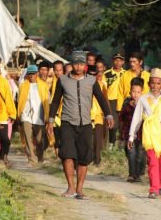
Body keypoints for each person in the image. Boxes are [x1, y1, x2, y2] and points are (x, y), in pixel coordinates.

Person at [48, 54, 114, 199]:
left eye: (81, 64)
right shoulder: (63, 80)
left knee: (84, 157)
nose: (78, 67)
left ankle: (80, 189)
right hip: (67, 123)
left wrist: (108, 115)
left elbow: (101, 99)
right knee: (67, 155)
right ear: (72, 64)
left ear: (85, 65)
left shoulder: (91, 80)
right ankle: (70, 187)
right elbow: (55, 101)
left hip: (85, 123)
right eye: (76, 64)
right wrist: (51, 120)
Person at [128, 68, 161, 199]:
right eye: (153, 83)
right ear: (148, 83)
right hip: (150, 132)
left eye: (158, 83)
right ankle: (153, 189)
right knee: (152, 161)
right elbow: (137, 118)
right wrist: (131, 136)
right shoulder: (143, 99)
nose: (155, 86)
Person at [18, 65, 50, 165]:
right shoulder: (23, 86)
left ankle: (40, 157)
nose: (31, 76)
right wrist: (19, 114)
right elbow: (20, 100)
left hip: (39, 115)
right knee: (28, 137)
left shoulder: (43, 85)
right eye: (29, 74)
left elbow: (47, 101)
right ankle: (32, 158)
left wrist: (47, 116)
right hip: (26, 115)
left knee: (40, 139)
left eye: (33, 74)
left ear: (37, 74)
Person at [119, 77, 146, 182]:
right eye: (133, 91)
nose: (135, 94)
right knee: (131, 153)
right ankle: (132, 174)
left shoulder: (145, 102)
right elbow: (121, 117)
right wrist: (121, 133)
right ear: (130, 91)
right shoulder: (126, 102)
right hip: (128, 132)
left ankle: (139, 174)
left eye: (138, 92)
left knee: (141, 154)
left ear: (142, 92)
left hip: (142, 133)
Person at [104, 53, 125, 149]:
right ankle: (111, 143)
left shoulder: (126, 74)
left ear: (123, 62)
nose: (118, 62)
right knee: (113, 123)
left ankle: (121, 143)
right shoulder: (107, 74)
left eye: (120, 60)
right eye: (116, 60)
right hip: (111, 100)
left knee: (123, 122)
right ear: (113, 61)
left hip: (123, 100)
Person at [91, 59, 108, 165]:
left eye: (95, 74)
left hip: (98, 114)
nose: (93, 76)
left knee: (98, 138)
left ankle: (97, 160)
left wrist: (108, 114)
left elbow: (105, 100)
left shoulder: (102, 85)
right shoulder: (83, 85)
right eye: (91, 74)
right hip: (86, 114)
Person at [51, 60, 64, 156]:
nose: (58, 72)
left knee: (63, 135)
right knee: (56, 134)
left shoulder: (66, 80)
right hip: (53, 111)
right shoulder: (50, 81)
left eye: (60, 70)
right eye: (56, 70)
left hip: (63, 111)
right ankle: (57, 153)